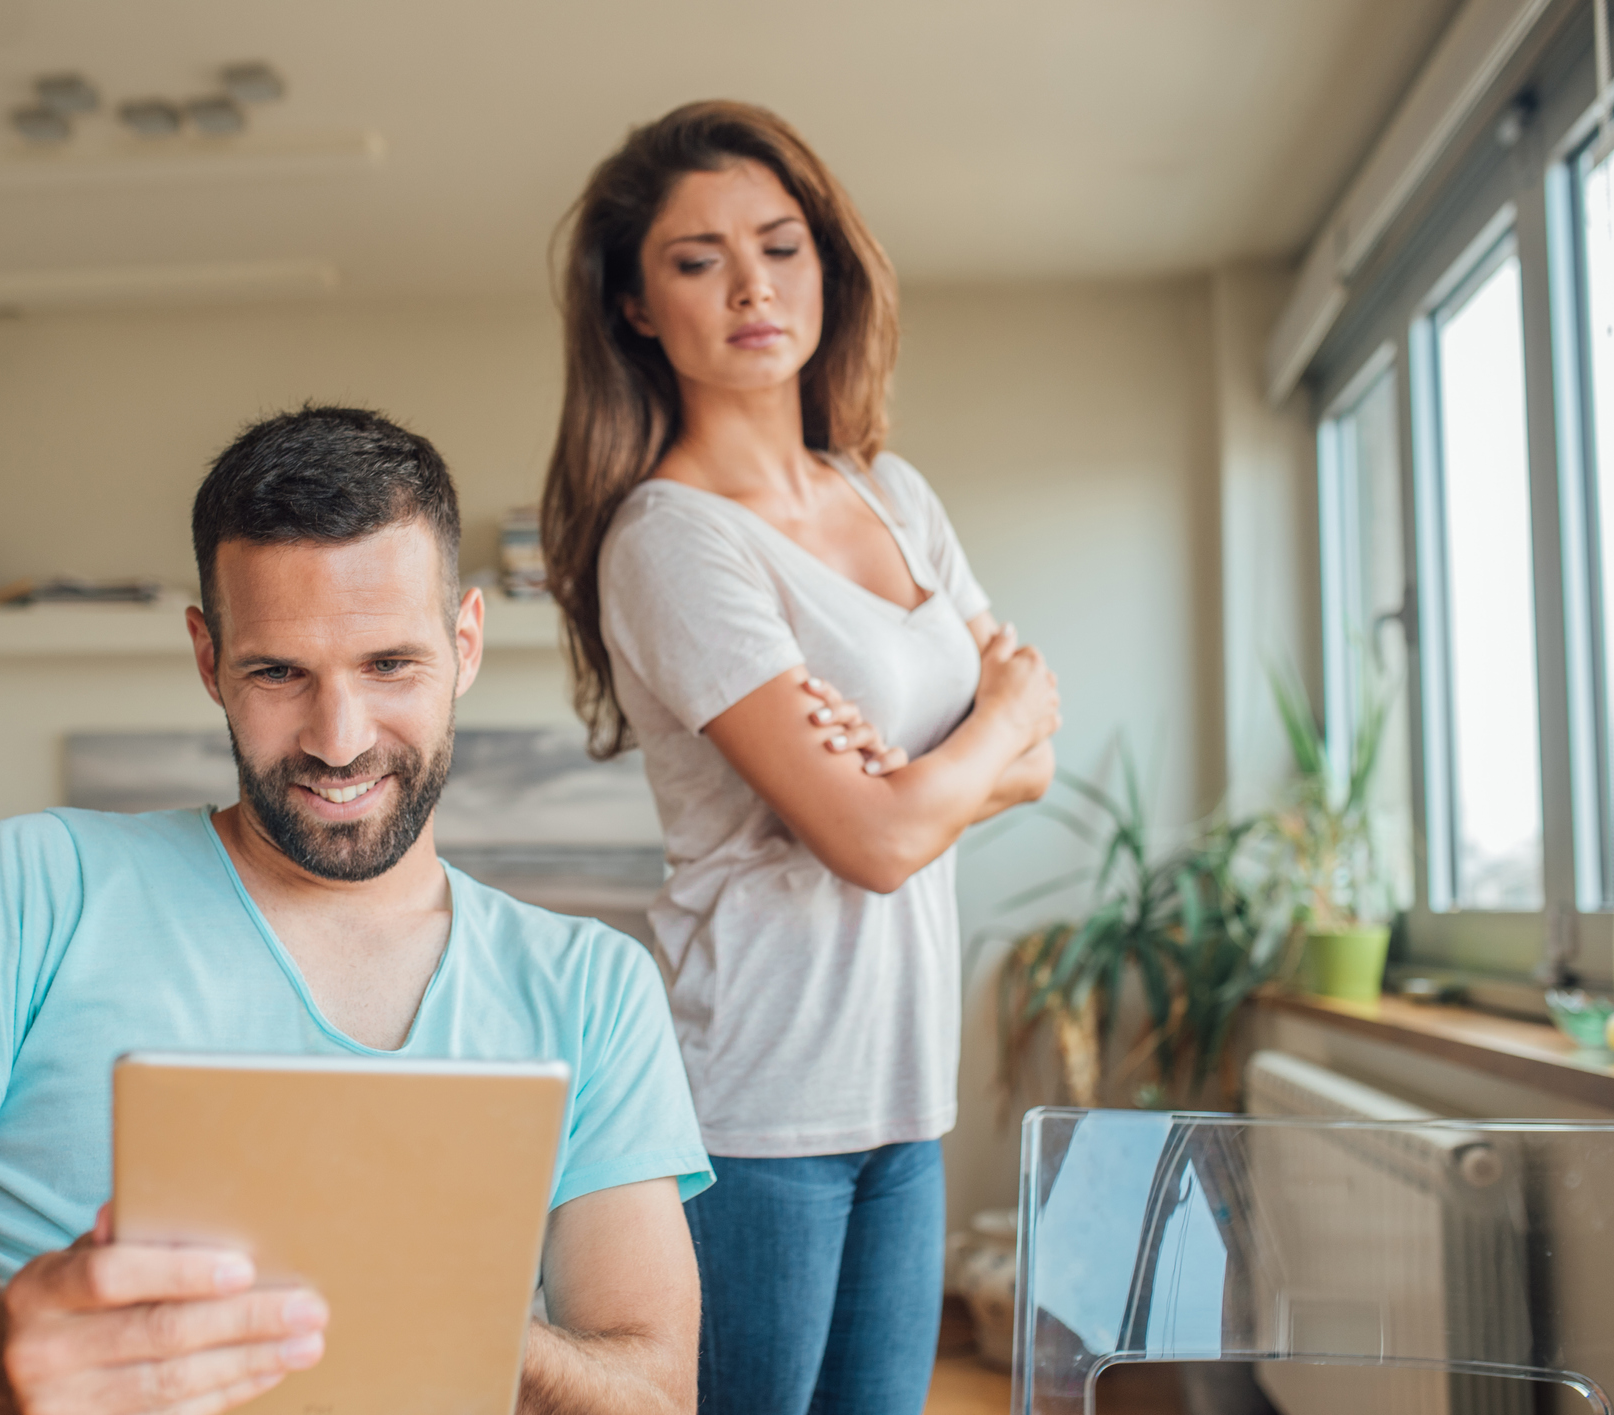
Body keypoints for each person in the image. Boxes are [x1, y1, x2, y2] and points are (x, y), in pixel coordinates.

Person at [0, 405, 713, 1415]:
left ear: (466, 641)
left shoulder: (593, 986)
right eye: (279, 671)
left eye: (389, 664)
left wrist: (444, 1313)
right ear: (206, 657)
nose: (339, 737)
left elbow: (653, 1395)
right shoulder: (35, 884)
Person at [541, 102, 1063, 1415]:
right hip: (756, 1103)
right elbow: (876, 842)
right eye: (695, 258)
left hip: (902, 1091)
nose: (751, 285)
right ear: (633, 308)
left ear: (826, 264)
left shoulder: (891, 491)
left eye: (779, 245)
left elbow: (1035, 739)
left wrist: (929, 765)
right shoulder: (667, 537)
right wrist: (953, 751)